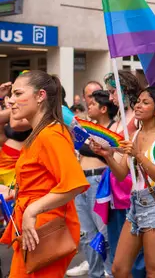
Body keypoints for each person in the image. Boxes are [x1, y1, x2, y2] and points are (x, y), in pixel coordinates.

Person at [0, 71, 90, 277]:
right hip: (36, 227)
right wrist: (12, 191)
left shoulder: (51, 133)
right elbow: (42, 182)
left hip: (45, 229)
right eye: (11, 94)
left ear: (40, 96)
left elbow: (74, 183)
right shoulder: (41, 133)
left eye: (18, 93)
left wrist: (32, 210)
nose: (11, 101)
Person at [94, 87, 155, 277]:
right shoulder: (135, 135)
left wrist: (137, 154)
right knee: (119, 269)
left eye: (145, 103)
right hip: (135, 205)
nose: (138, 105)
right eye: (138, 101)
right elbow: (122, 174)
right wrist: (108, 156)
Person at [68, 90, 118, 278]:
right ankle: (95, 273)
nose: (88, 106)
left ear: (104, 108)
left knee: (103, 232)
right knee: (87, 234)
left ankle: (110, 271)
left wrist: (86, 146)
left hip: (99, 180)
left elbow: (110, 153)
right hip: (81, 181)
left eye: (93, 104)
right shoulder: (88, 128)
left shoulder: (114, 128)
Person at [104, 71, 146, 277]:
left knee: (136, 251)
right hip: (114, 184)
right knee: (116, 243)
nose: (110, 97)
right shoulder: (118, 117)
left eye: (113, 92)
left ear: (126, 91)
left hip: (132, 188)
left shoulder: (138, 120)